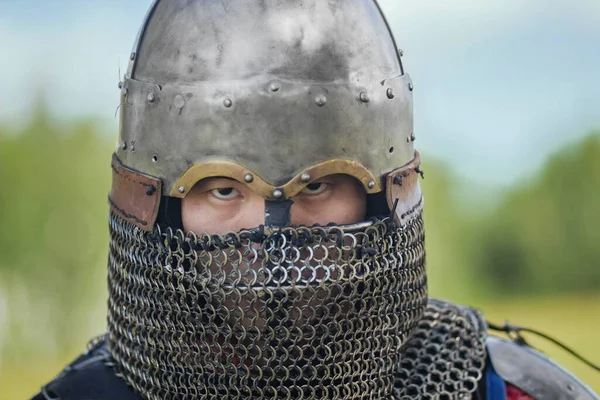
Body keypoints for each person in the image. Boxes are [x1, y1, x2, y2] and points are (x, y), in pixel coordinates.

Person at [32, 1, 598, 399]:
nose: (274, 239)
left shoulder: (499, 390)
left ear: (386, 197)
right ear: (154, 207)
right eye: (224, 189)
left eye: (318, 185)